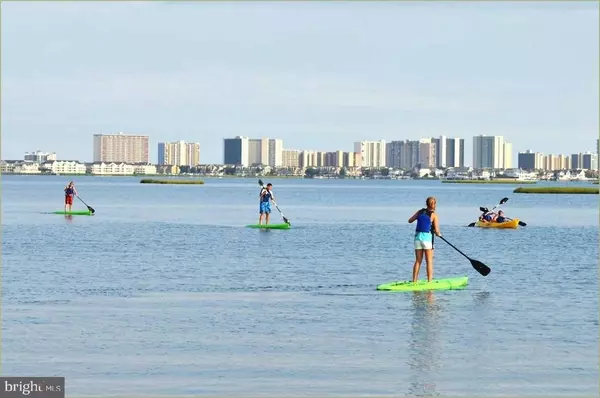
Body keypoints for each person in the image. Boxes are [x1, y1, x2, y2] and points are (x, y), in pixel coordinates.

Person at [408, 196, 441, 283]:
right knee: (429, 261)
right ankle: (429, 282)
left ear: (426, 204)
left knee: (418, 261)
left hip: (418, 238)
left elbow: (410, 220)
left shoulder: (419, 212)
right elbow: (437, 231)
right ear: (434, 205)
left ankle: (414, 281)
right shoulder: (434, 215)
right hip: (427, 240)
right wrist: (439, 234)